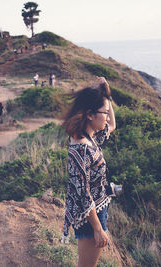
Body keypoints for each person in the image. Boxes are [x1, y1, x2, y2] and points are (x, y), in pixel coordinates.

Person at [61, 76, 116, 267]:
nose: (107, 117)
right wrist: (98, 228)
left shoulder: (89, 136)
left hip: (97, 209)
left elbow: (112, 126)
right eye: (105, 113)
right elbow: (83, 194)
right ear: (90, 114)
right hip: (90, 217)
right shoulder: (81, 148)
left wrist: (106, 94)